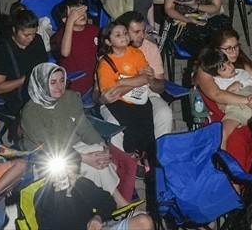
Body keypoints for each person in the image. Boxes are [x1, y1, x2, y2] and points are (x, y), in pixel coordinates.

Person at [20, 64, 136, 208]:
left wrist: (103, 145)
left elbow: (84, 126)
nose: (59, 86)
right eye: (53, 82)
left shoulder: (70, 97)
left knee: (98, 153)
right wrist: (85, 158)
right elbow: (49, 146)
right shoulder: (31, 111)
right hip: (47, 157)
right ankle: (118, 203)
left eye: (62, 80)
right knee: (92, 165)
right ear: (41, 84)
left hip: (73, 146)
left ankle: (110, 203)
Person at [31, 151, 154, 230]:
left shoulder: (82, 185)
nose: (68, 177)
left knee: (144, 221)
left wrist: (98, 217)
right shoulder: (44, 195)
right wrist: (61, 193)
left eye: (72, 172)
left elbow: (108, 201)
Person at [95, 19, 156, 155]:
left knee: (148, 128)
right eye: (117, 35)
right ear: (108, 42)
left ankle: (149, 159)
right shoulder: (105, 63)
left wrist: (121, 82)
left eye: (124, 33)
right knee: (130, 129)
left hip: (139, 97)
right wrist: (136, 81)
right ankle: (130, 156)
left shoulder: (136, 54)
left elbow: (146, 77)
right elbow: (111, 93)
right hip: (119, 102)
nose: (123, 36)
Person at [0, 6, 48, 118]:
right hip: (16, 98)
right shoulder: (1, 50)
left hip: (37, 93)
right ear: (14, 30)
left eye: (33, 34)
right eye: (26, 35)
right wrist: (24, 80)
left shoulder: (37, 40)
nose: (31, 39)